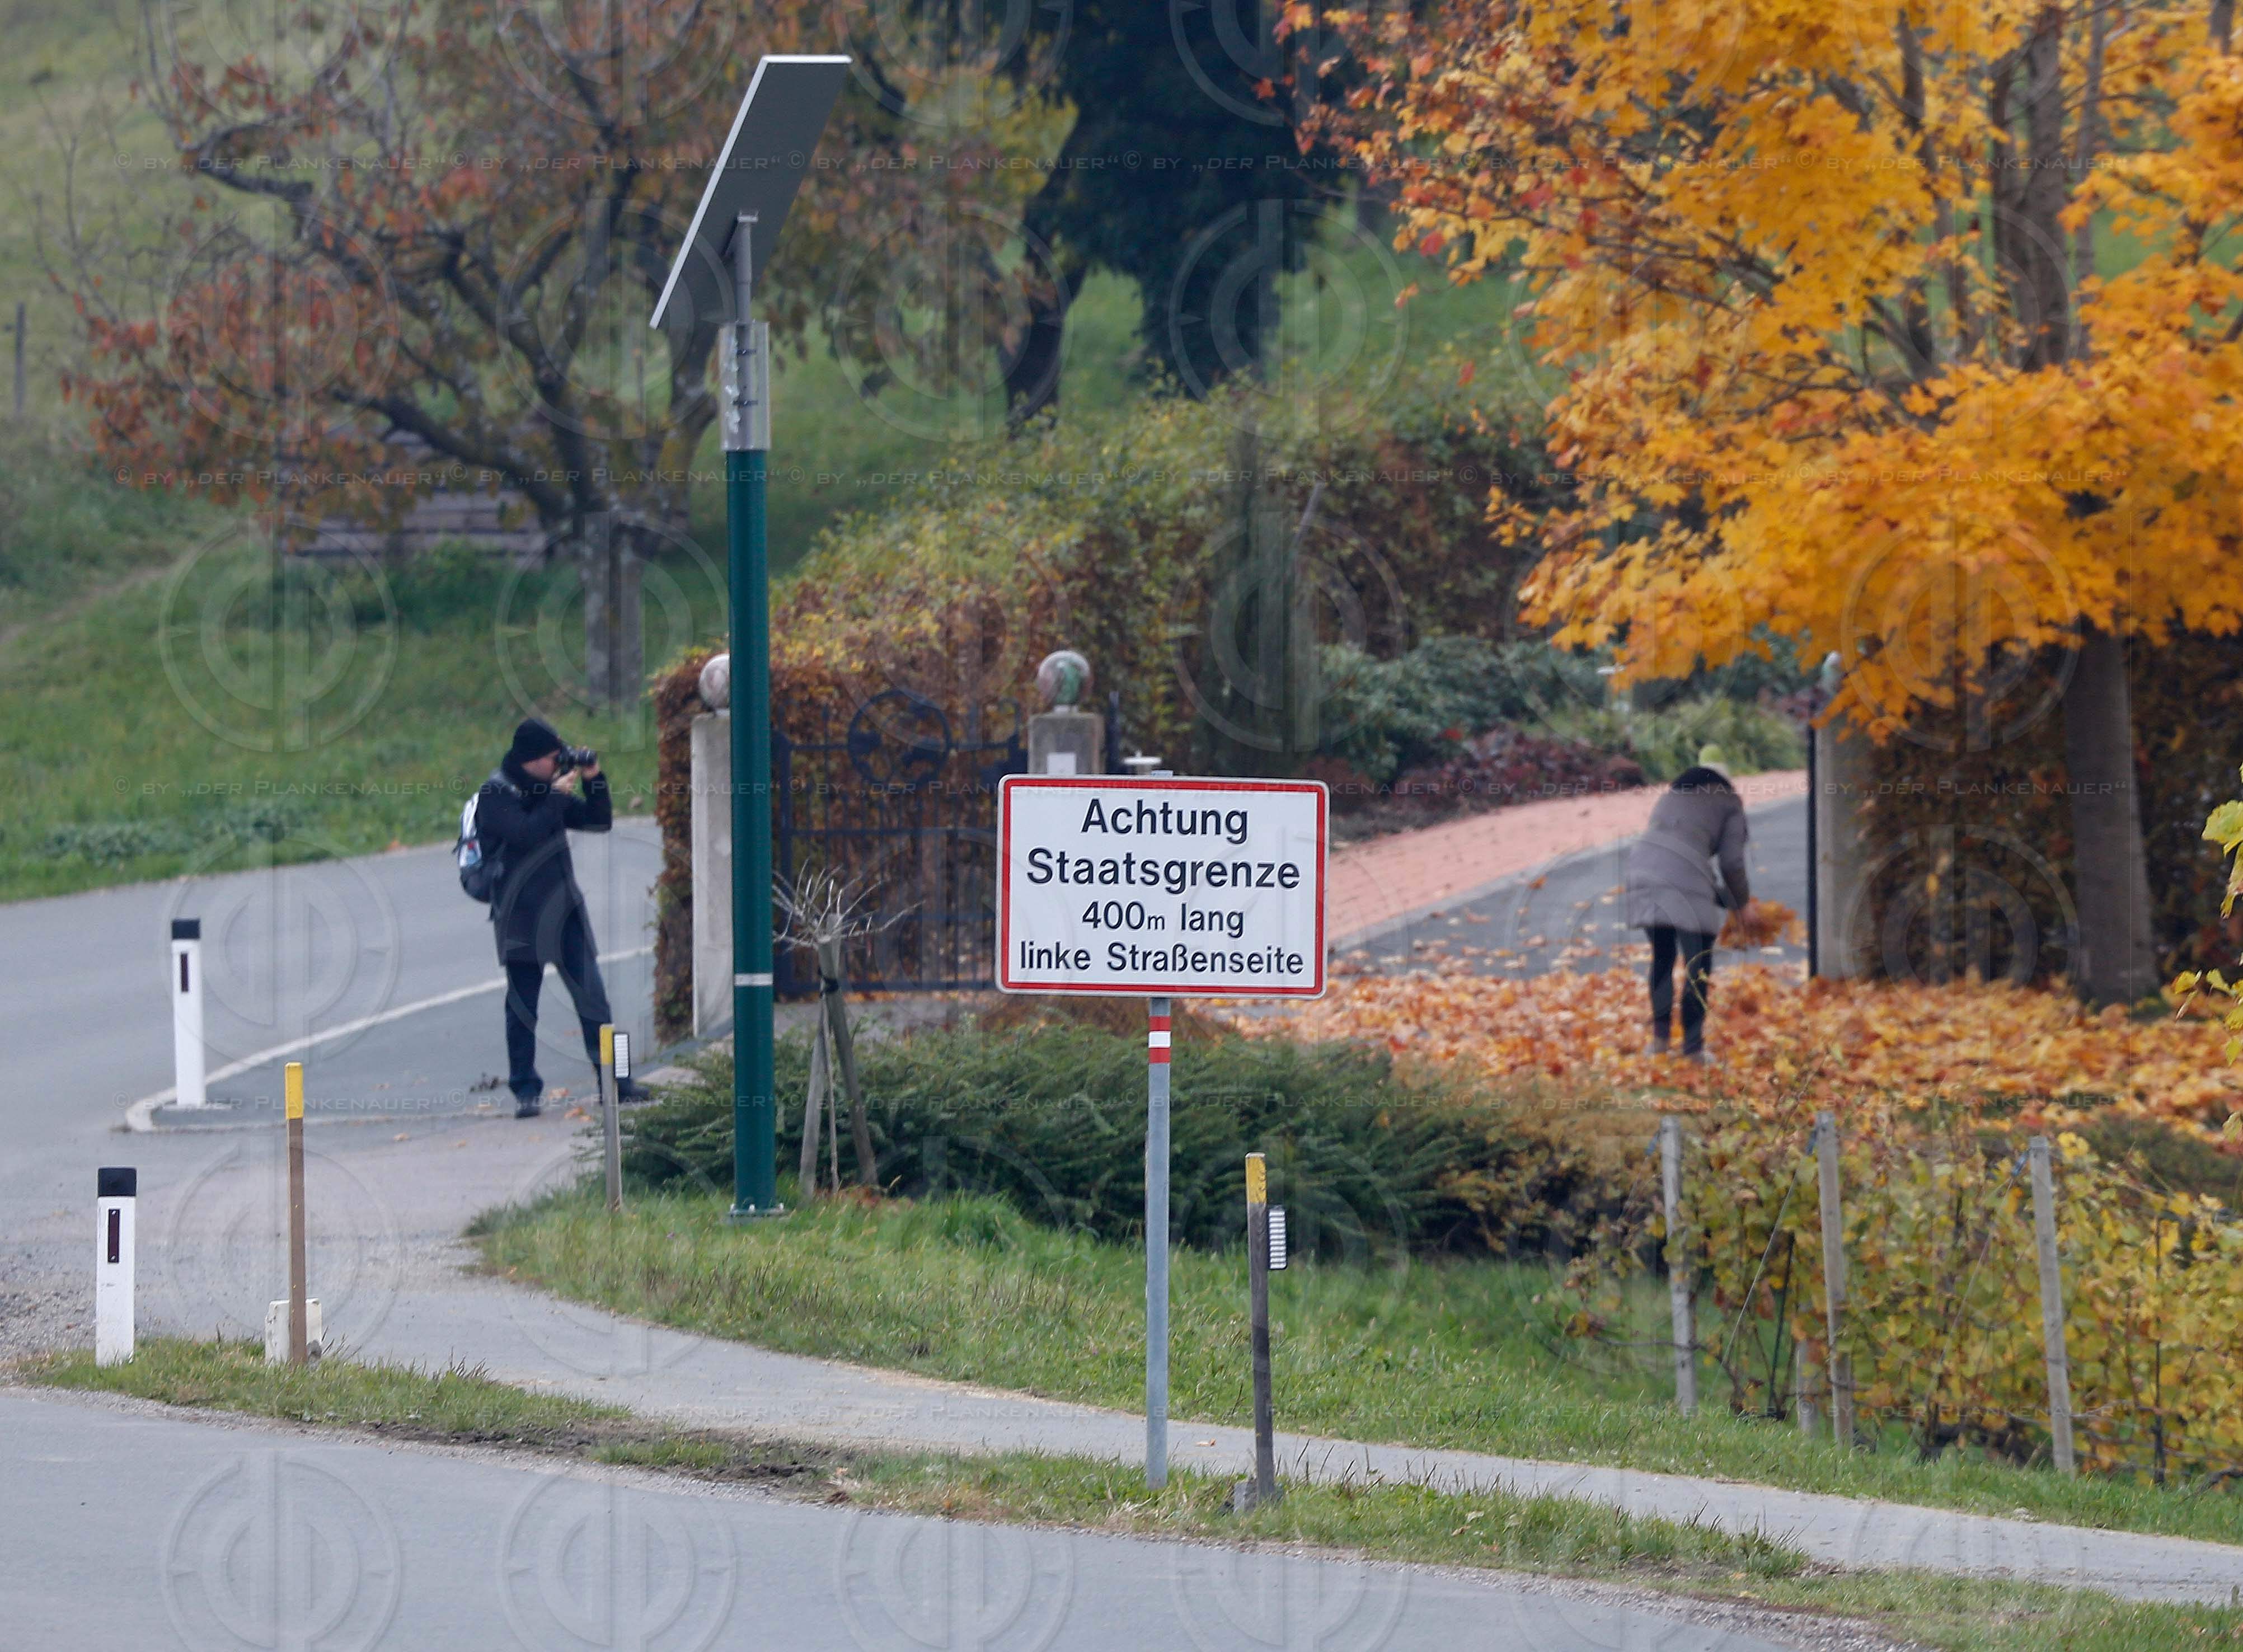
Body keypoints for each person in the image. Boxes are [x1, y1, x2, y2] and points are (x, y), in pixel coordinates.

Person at [480, 718, 642, 1116]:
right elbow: (524, 834)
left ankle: (619, 1082)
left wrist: (593, 778)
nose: (560, 764)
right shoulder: (496, 793)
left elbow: (599, 821)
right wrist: (554, 797)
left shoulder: (549, 791)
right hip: (520, 919)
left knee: (597, 1003)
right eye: (555, 758)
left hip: (566, 912)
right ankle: (526, 1092)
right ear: (535, 760)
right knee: (522, 1009)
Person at [1623, 745, 1751, 1062]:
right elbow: (1732, 863)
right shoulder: (1729, 802)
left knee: (1662, 959)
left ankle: (1660, 1042)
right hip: (1685, 878)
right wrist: (1742, 903)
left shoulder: (1670, 796)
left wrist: (1730, 901)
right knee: (1698, 965)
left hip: (1643, 872)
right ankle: (1693, 1049)